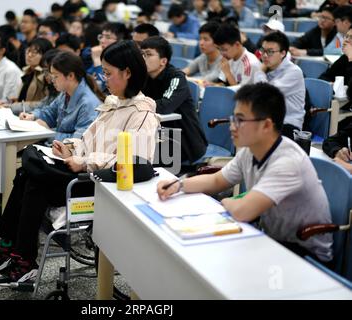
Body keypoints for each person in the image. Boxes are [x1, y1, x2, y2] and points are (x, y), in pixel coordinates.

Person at [0, 40, 159, 286]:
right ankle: (11, 249)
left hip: (102, 183)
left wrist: (84, 162)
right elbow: (87, 140)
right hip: (82, 172)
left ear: (128, 73)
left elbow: (134, 163)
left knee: (34, 178)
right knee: (27, 173)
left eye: (108, 73)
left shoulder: (141, 113)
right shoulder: (113, 104)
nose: (104, 79)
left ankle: (21, 258)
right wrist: (70, 148)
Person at [157, 82, 333, 265]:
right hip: (272, 240)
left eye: (240, 120)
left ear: (266, 125)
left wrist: (226, 202)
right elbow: (217, 180)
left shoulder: (288, 163)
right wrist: (179, 185)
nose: (232, 127)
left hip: (305, 255)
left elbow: (242, 211)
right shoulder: (251, 151)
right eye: (233, 119)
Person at [141, 36, 208, 166]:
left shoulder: (176, 77)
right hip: (160, 137)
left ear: (163, 61)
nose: (143, 58)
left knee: (139, 161)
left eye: (148, 54)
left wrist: (140, 104)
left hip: (184, 142)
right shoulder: (143, 77)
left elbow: (165, 106)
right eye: (141, 54)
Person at [20, 51, 102, 140]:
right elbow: (50, 112)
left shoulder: (88, 104)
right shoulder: (65, 93)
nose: (52, 80)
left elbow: (80, 140)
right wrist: (32, 116)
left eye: (55, 76)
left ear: (71, 76)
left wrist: (49, 133)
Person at [260, 31, 306, 139]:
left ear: (283, 53)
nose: (265, 55)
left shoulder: (294, 72)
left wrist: (259, 72)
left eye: (270, 52)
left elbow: (266, 94)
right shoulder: (266, 68)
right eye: (263, 50)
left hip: (288, 125)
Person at [212, 24, 265, 89]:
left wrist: (228, 73)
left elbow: (240, 94)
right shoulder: (229, 57)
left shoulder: (250, 64)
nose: (222, 53)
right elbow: (223, 83)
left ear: (237, 44)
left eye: (224, 49)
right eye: (219, 49)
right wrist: (211, 85)